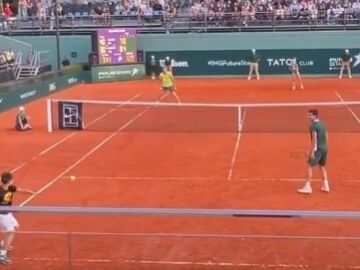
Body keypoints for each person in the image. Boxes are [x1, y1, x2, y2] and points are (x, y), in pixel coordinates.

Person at [0, 172, 36, 265]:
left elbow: (21, 190)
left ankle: (4, 245)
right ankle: (2, 255)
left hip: (8, 213)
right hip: (2, 215)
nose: (13, 180)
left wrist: (32, 193)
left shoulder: (11, 187)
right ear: (9, 181)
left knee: (16, 226)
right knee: (11, 232)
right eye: (12, 179)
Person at [298, 109, 330, 194]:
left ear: (315, 116)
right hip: (324, 148)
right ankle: (326, 186)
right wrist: (324, 146)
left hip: (317, 149)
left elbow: (314, 140)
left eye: (310, 115)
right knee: (321, 166)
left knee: (309, 166)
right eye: (308, 115)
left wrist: (311, 152)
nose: (308, 117)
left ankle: (307, 187)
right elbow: (327, 136)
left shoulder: (313, 126)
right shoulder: (323, 124)